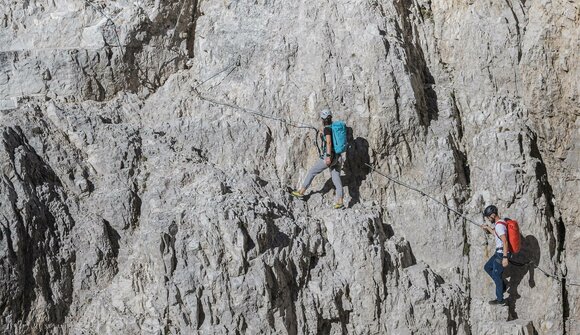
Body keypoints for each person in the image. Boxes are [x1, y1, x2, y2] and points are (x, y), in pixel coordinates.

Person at [291, 108, 344, 209]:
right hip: (338, 157)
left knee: (312, 171)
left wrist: (328, 157)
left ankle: (301, 192)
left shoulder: (327, 129)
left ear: (322, 118)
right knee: (336, 179)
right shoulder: (332, 127)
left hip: (330, 157)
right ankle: (340, 201)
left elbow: (328, 142)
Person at [482, 205, 510, 305]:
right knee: (487, 267)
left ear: (493, 215)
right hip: (498, 252)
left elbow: (505, 241)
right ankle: (502, 285)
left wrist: (505, 257)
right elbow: (496, 234)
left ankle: (500, 300)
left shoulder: (499, 226)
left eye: (489, 217)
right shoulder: (500, 223)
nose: (489, 219)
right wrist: (487, 228)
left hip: (502, 253)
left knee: (496, 275)